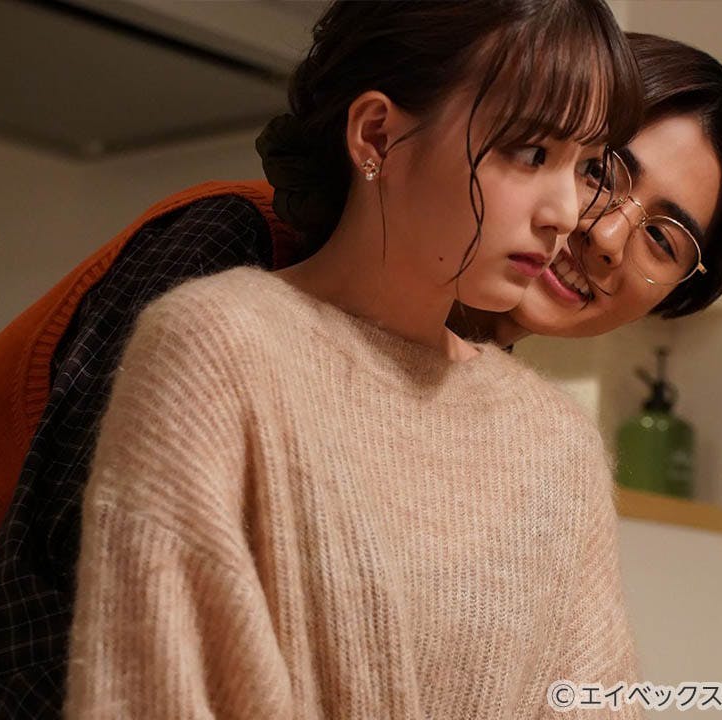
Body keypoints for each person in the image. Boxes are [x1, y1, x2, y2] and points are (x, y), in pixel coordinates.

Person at [0, 25, 722, 720]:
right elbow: (33, 637)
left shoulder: (526, 432)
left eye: (665, 238)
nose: (598, 231)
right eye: (597, 168)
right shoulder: (232, 261)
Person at [62, 0, 644, 717]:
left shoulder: (556, 444)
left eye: (588, 167)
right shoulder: (217, 349)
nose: (566, 212)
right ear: (377, 135)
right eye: (531, 154)